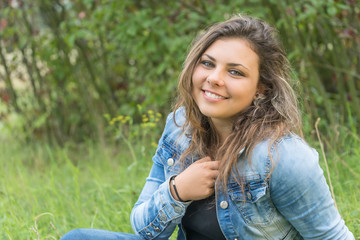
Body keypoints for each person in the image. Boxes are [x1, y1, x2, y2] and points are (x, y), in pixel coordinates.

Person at [61, 14, 355, 240]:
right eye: (207, 63)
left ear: (261, 89)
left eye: (235, 72)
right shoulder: (179, 128)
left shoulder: (284, 158)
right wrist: (177, 191)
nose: (214, 78)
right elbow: (145, 230)